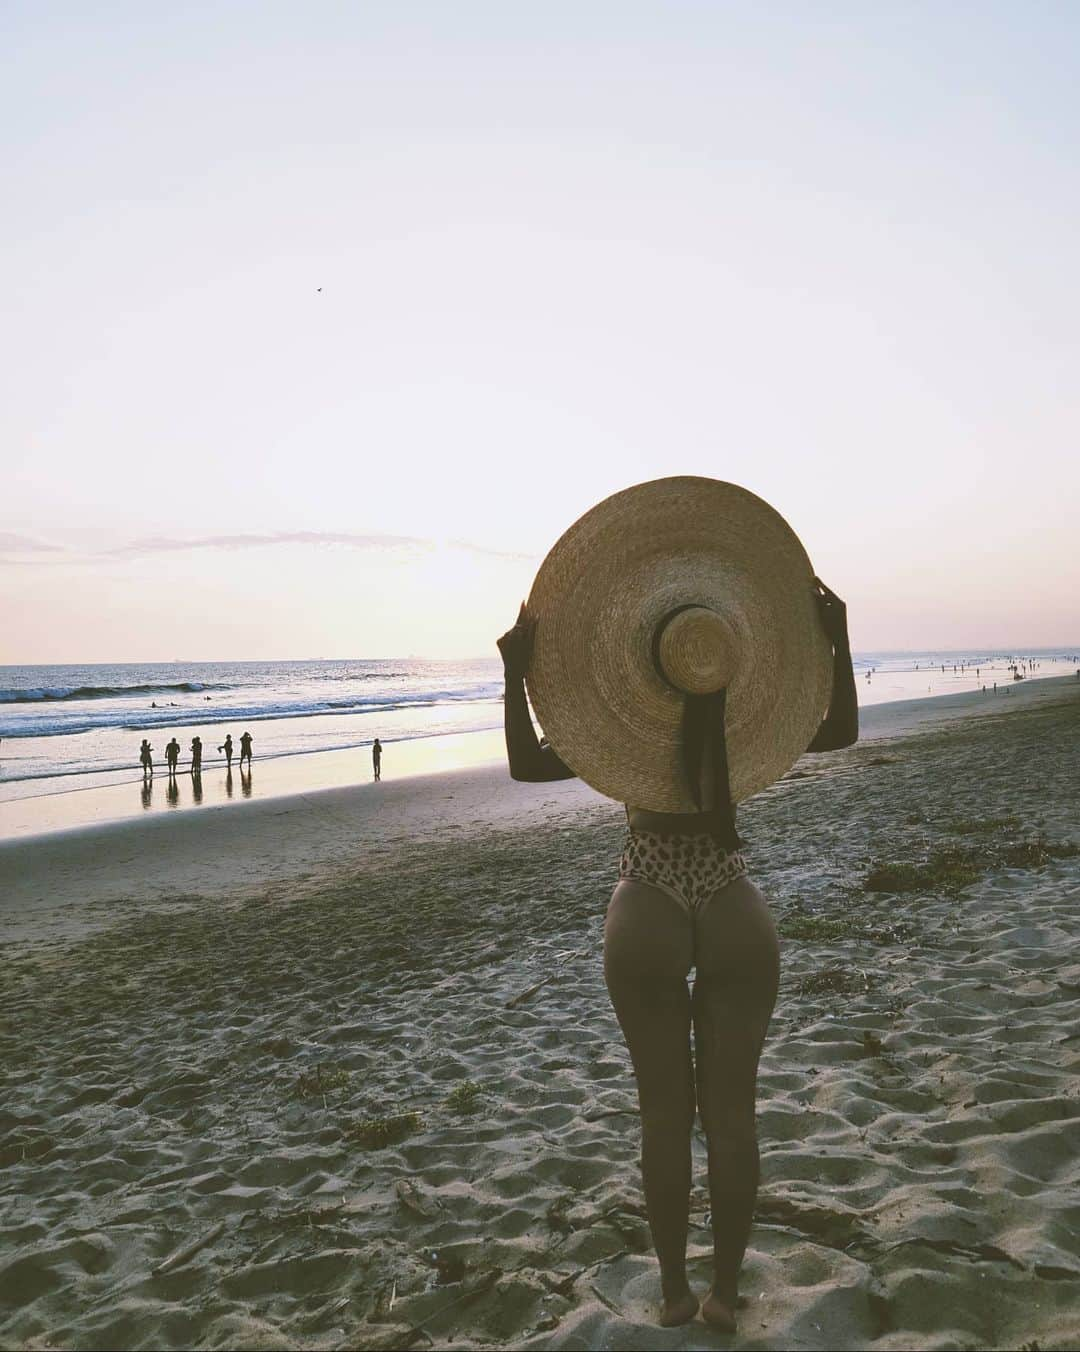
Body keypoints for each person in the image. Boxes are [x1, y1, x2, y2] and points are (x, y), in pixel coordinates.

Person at [497, 479, 858, 1332]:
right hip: (731, 896)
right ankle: (728, 1295)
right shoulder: (740, 727)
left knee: (664, 1116)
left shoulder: (626, 740)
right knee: (733, 1115)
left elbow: (526, 766)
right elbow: (838, 731)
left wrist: (514, 676)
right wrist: (836, 640)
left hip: (649, 892)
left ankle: (670, 1294)